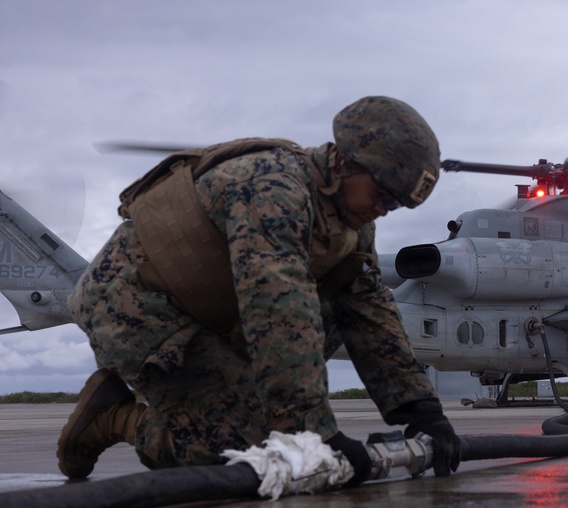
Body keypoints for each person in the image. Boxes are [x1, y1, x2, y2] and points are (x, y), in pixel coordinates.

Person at [57, 96, 461, 485]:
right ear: (345, 162)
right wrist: (312, 435)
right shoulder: (273, 188)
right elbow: (279, 309)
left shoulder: (349, 223)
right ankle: (110, 417)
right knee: (247, 451)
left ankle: (230, 405)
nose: (384, 209)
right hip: (134, 308)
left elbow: (370, 308)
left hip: (204, 310)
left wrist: (421, 410)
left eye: (396, 205)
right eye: (383, 194)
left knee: (342, 305)